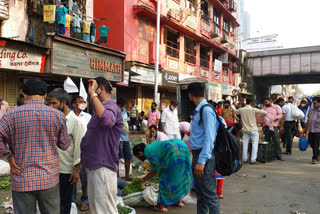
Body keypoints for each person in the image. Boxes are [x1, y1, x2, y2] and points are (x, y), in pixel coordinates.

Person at [0, 78, 71, 214]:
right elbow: (64, 145)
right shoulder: (58, 115)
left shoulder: (10, 115)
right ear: (45, 96)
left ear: (25, 95)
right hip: (48, 178)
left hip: (22, 178)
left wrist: (9, 156)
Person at [80, 77, 123, 214]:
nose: (89, 95)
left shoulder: (111, 107)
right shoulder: (100, 109)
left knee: (104, 210)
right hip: (95, 166)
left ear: (101, 89)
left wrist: (93, 94)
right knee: (97, 209)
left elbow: (107, 121)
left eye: (92, 89)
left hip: (102, 168)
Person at [48, 88, 85, 214]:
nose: (51, 106)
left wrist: (76, 170)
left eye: (54, 103)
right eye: (49, 103)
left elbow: (79, 147)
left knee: (64, 203)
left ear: (63, 103)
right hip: (51, 168)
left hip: (66, 170)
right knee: (52, 203)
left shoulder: (75, 122)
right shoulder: (51, 119)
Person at [133, 139, 193, 212]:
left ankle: (161, 206)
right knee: (179, 175)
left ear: (140, 153)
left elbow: (154, 171)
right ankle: (178, 201)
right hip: (181, 146)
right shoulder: (151, 146)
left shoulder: (148, 152)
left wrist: (143, 179)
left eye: (138, 157)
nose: (140, 158)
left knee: (165, 178)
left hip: (173, 152)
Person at [188, 82, 220, 214]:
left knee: (210, 194)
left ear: (190, 95)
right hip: (198, 155)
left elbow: (210, 137)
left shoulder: (206, 110)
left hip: (203, 157)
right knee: (201, 193)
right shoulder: (200, 110)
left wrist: (201, 161)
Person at [71, 95, 91, 211]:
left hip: (85, 152)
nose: (83, 103)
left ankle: (85, 200)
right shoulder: (69, 116)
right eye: (80, 102)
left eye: (84, 102)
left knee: (85, 178)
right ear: (74, 105)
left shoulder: (88, 117)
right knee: (72, 177)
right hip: (71, 152)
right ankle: (72, 200)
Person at [236, 98, 267, 164]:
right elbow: (265, 112)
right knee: (254, 145)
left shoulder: (242, 109)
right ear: (252, 103)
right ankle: (253, 160)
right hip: (253, 129)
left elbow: (235, 111)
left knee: (245, 144)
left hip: (245, 129)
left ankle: (244, 159)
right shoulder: (253, 109)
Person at [117, 96, 132, 181]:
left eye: (124, 105)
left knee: (128, 156)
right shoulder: (115, 111)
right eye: (121, 105)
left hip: (126, 137)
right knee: (118, 158)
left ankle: (127, 176)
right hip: (119, 138)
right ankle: (118, 177)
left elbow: (126, 120)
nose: (123, 106)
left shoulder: (125, 111)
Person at [304, 96, 320, 164]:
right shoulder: (311, 109)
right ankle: (318, 153)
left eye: (315, 103)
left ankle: (315, 158)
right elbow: (308, 119)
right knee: (311, 142)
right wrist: (305, 129)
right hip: (310, 129)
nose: (314, 105)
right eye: (313, 103)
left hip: (318, 130)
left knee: (316, 144)